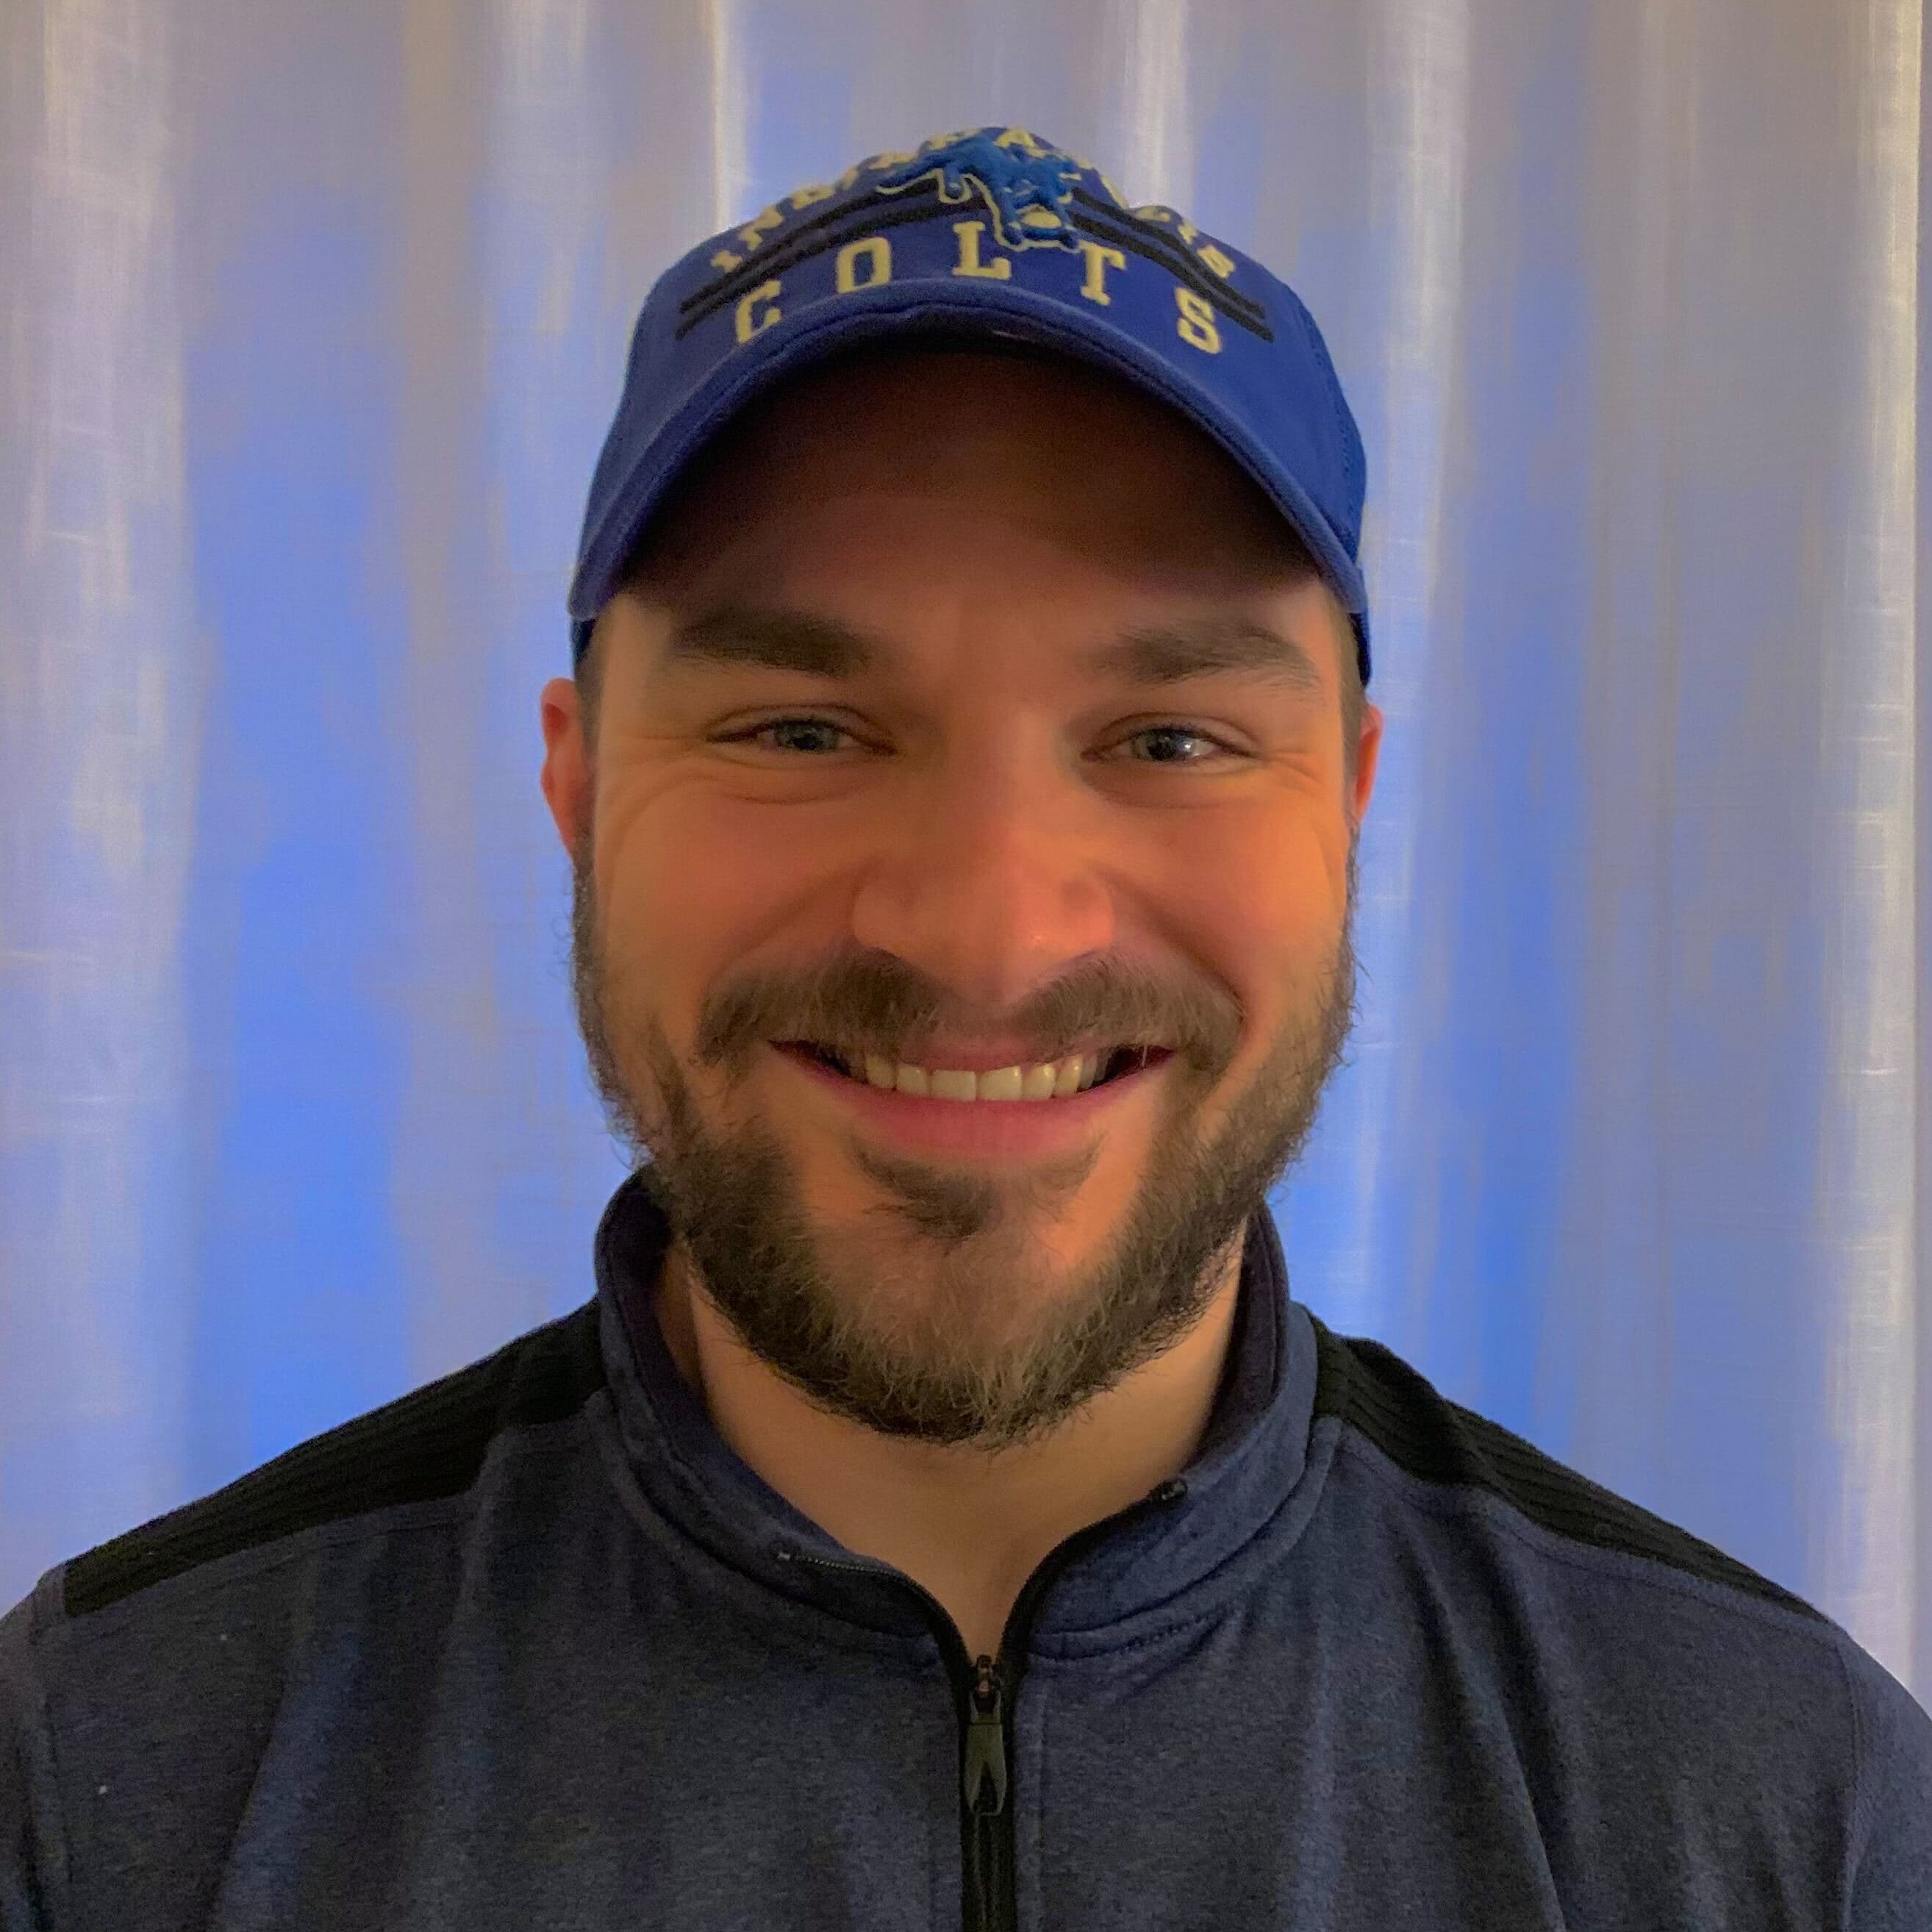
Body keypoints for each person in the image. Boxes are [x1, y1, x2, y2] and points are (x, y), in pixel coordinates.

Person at [3, 124, 1927, 1931]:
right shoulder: (111, 1772)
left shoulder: (1775, 1799)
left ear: (1343, 800)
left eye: (1167, 737)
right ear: (577, 789)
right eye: (799, 731)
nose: (988, 932)